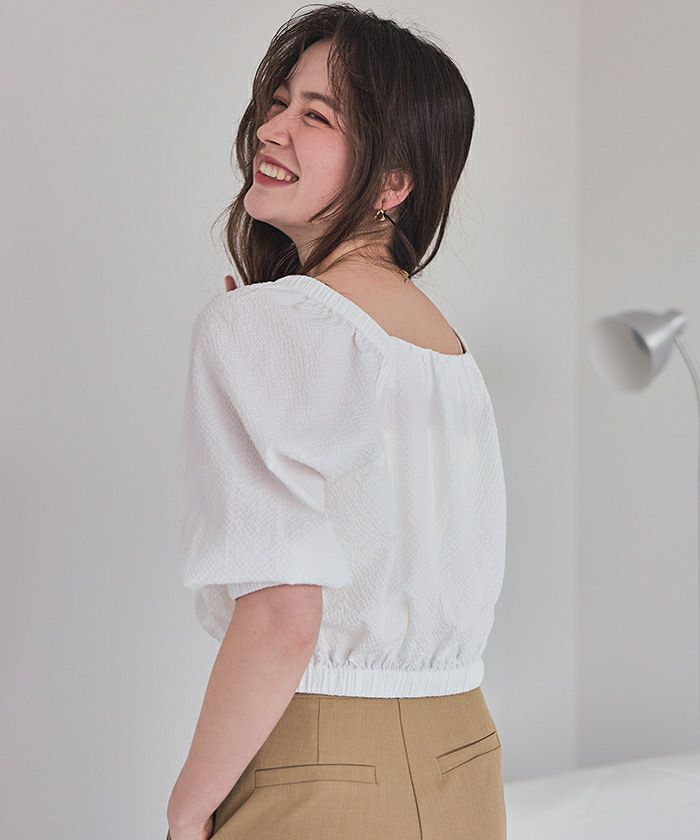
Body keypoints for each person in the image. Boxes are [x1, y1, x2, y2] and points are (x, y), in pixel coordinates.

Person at [166, 4, 507, 839]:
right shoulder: (446, 347)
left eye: (317, 116)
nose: (271, 129)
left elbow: (284, 615)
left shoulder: (263, 324)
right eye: (278, 102)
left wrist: (187, 808)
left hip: (320, 759)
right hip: (467, 757)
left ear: (392, 185)